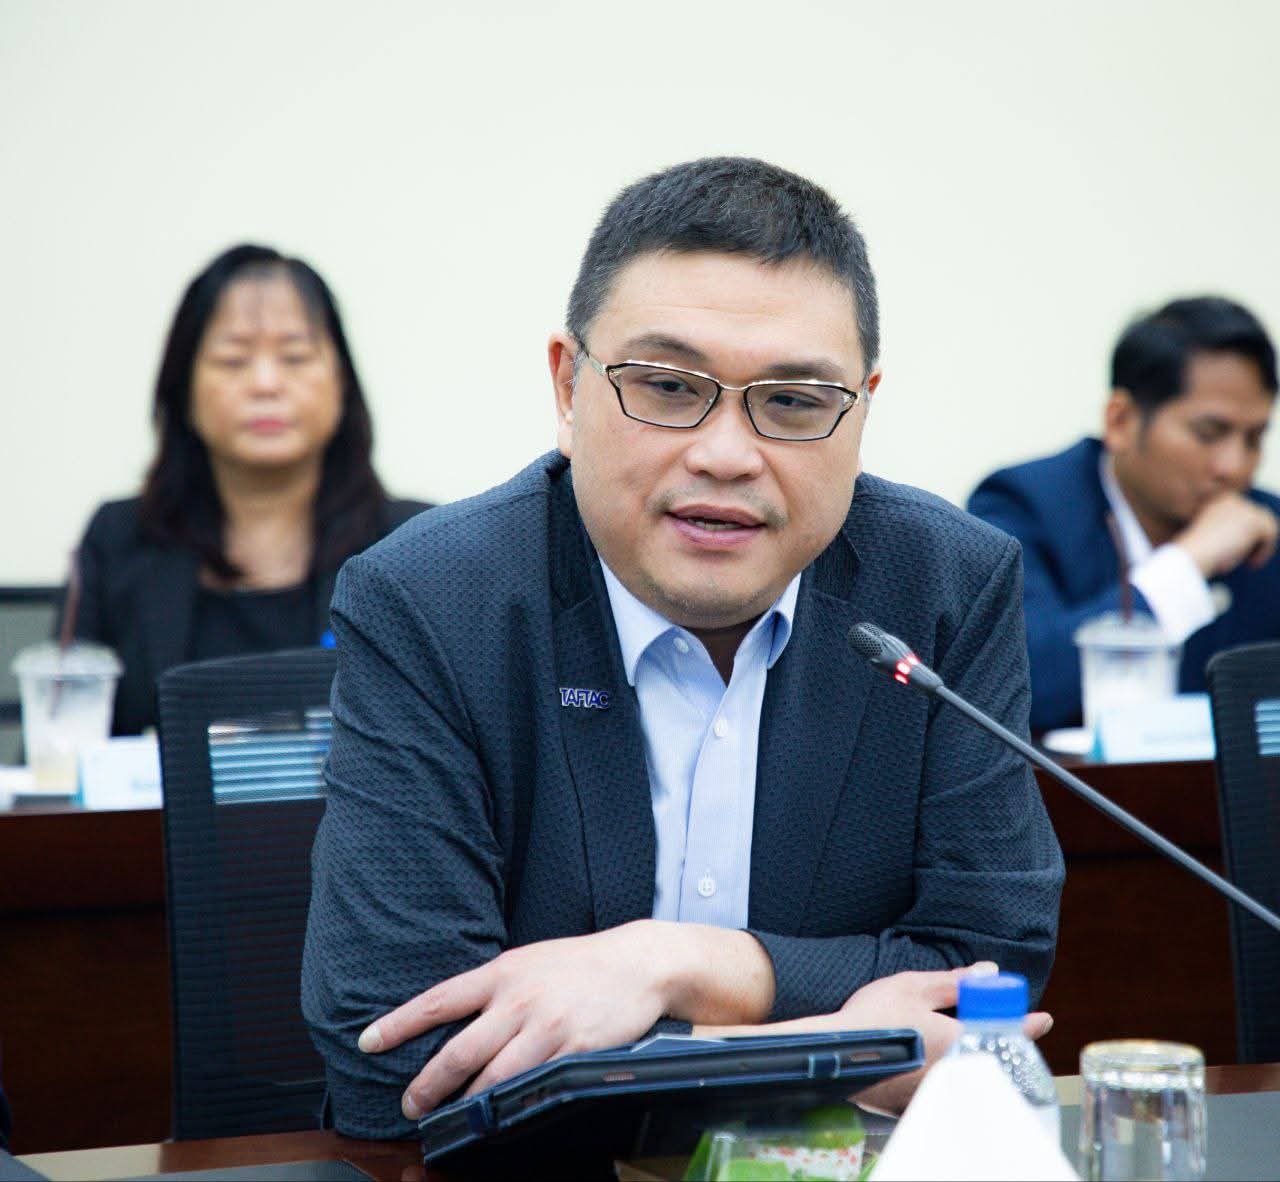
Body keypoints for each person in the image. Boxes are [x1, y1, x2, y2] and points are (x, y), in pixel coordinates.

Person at [302, 157, 1063, 1139]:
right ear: (567, 385)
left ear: (861, 409)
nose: (725, 453)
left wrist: (677, 965)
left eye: (793, 402)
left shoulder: (945, 587)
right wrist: (826, 1052)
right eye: (666, 387)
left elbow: (988, 979)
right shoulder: (431, 601)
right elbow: (398, 1060)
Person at [68, 245, 428, 735]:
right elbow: (60, 739)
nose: (265, 384)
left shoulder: (413, 545)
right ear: (184, 389)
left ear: (342, 383)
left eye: (295, 357)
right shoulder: (118, 540)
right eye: (233, 360)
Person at [969, 297, 1280, 733]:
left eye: (1254, 438)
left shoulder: (1265, 528)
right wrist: (1187, 565)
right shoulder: (1022, 506)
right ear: (1121, 421)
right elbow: (1013, 689)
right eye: (1209, 433)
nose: (1234, 466)